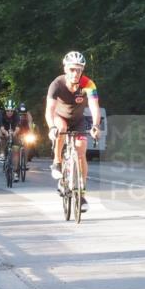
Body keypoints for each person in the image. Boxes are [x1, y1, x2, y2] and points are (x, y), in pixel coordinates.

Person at [46, 51, 101, 212]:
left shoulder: (89, 84)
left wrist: (96, 125)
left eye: (79, 69)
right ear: (65, 68)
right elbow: (49, 110)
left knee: (81, 151)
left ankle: (81, 194)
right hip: (60, 117)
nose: (75, 73)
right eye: (72, 69)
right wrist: (51, 127)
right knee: (61, 128)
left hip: (78, 121)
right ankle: (57, 162)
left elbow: (94, 107)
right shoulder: (57, 84)